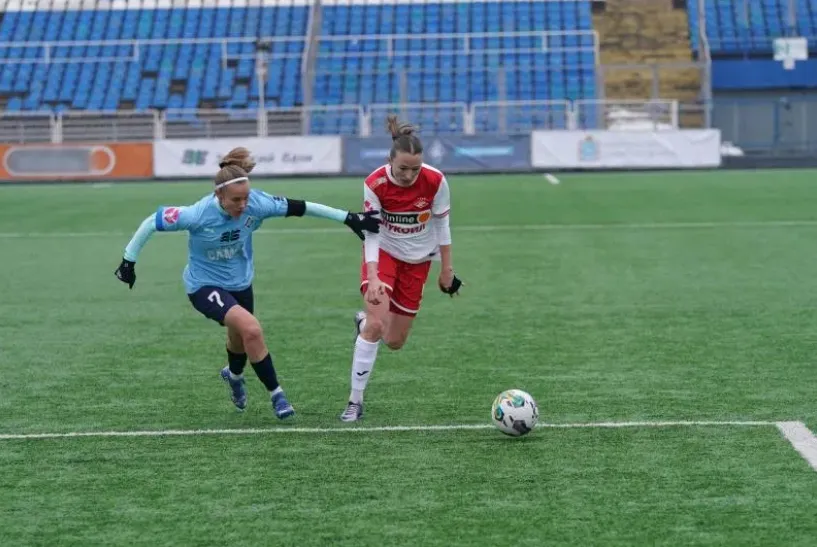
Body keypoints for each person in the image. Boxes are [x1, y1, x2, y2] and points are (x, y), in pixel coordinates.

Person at [114, 147, 380, 420]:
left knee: (238, 338)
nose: (243, 205)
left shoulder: (258, 204)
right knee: (251, 329)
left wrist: (349, 218)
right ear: (219, 196)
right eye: (235, 200)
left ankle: (234, 376)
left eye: (246, 198)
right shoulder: (196, 214)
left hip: (241, 282)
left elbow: (303, 207)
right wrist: (128, 262)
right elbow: (151, 222)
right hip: (204, 286)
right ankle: (277, 395)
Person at [339, 115, 463, 422]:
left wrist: (446, 269)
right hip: (384, 253)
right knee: (376, 325)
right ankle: (355, 401)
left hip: (419, 260)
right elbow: (371, 233)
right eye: (402, 168)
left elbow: (443, 226)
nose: (409, 175)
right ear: (389, 161)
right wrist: (372, 276)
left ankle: (363, 323)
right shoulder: (375, 183)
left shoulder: (435, 181)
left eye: (415, 169)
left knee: (394, 341)